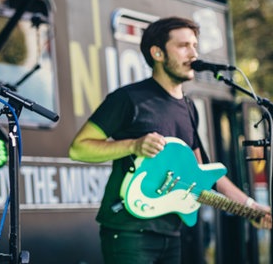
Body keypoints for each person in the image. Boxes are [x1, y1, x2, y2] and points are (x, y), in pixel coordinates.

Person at [69, 16, 272, 264]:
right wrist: (133, 145)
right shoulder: (129, 98)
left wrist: (250, 207)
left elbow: (205, 173)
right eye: (183, 46)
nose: (193, 54)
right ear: (158, 53)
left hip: (171, 232)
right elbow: (79, 148)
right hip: (129, 231)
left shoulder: (188, 107)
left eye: (194, 45)